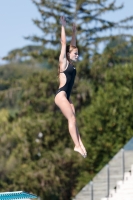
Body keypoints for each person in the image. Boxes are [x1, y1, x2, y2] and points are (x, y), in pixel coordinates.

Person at [54, 16, 87, 158]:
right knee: (71, 119)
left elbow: (72, 45)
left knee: (74, 118)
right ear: (68, 54)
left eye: (78, 53)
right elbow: (64, 44)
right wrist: (63, 26)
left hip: (67, 97)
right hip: (61, 96)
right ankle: (77, 145)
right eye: (75, 54)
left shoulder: (71, 64)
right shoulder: (64, 63)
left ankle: (79, 142)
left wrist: (74, 32)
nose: (77, 55)